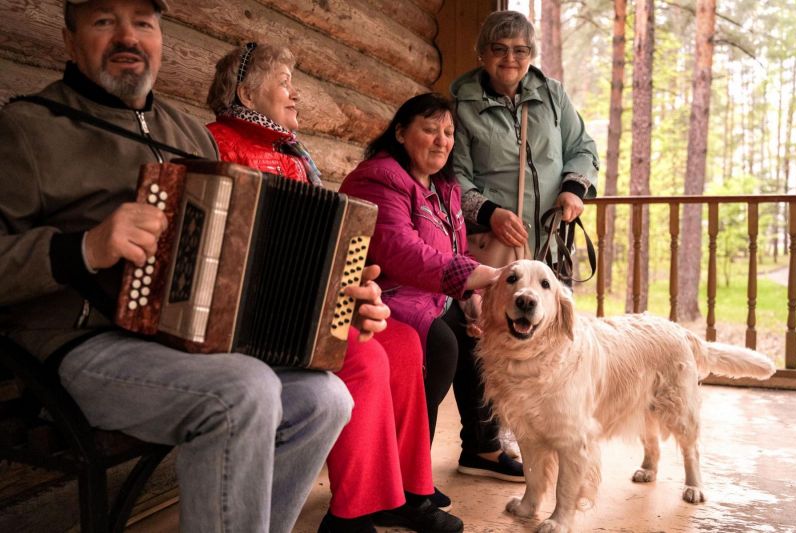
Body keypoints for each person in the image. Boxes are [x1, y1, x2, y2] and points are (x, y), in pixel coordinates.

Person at [0, 1, 372, 531]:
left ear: (160, 39)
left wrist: (332, 300)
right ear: (69, 40)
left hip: (181, 342)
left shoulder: (186, 133)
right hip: (77, 345)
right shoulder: (28, 129)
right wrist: (83, 248)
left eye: (143, 23)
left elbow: (240, 258)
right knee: (243, 391)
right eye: (104, 20)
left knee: (325, 399)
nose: (128, 37)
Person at [206, 43, 463, 533]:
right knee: (365, 358)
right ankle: (351, 515)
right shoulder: (215, 146)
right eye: (284, 83)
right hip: (245, 319)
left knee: (402, 344)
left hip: (301, 311)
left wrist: (344, 277)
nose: (295, 94)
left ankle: (406, 492)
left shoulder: (293, 157)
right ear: (246, 94)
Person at [338, 92, 526, 509]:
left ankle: (480, 447)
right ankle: (404, 476)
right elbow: (400, 252)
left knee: (480, 334)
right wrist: (477, 276)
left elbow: (454, 249)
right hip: (383, 296)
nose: (443, 140)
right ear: (400, 133)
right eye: (430, 129)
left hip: (430, 295)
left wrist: (471, 297)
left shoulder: (444, 187)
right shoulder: (378, 179)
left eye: (449, 132)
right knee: (442, 345)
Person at [451, 10, 599, 262]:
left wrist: (573, 190)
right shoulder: (462, 107)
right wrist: (490, 213)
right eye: (499, 49)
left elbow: (582, 148)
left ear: (531, 55)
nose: (510, 58)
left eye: (520, 50)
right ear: (482, 53)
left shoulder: (553, 94)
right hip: (499, 248)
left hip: (552, 245)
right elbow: (455, 175)